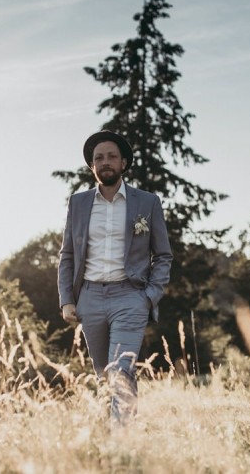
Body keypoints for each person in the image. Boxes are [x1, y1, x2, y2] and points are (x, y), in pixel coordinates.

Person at [58, 130, 173, 421]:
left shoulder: (147, 202)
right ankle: (107, 443)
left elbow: (163, 255)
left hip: (130, 298)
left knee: (121, 371)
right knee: (102, 376)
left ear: (123, 163)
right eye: (99, 158)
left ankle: (123, 446)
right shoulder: (78, 203)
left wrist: (148, 298)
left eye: (111, 156)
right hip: (90, 299)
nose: (105, 162)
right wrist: (67, 301)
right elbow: (67, 254)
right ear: (92, 166)